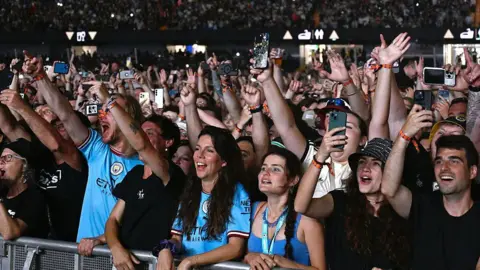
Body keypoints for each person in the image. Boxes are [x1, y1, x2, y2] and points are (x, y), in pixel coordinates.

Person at [21, 53, 144, 242]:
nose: (102, 115)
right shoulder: (97, 149)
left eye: (110, 111)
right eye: (103, 110)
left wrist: (104, 239)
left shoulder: (146, 165)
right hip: (84, 257)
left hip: (123, 258)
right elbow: (66, 114)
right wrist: (40, 77)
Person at [295, 138, 411, 270]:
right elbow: (301, 206)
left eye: (375, 163)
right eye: (362, 162)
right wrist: (320, 157)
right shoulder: (340, 201)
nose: (365, 168)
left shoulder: (402, 211)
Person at [382, 118, 480, 268]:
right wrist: (404, 136)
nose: (444, 168)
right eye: (439, 161)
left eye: (454, 161)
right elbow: (389, 190)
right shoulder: (423, 207)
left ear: (472, 172)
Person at [155, 126, 251, 270]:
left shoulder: (237, 191)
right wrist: (166, 248)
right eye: (198, 149)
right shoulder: (190, 190)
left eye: (209, 150)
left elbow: (235, 247)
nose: (200, 155)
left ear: (223, 161)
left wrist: (192, 261)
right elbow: (177, 238)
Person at [0, 90, 88, 242]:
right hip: (50, 240)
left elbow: (57, 145)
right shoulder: (40, 156)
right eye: (54, 126)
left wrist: (21, 107)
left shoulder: (76, 160)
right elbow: (10, 127)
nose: (56, 129)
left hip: (76, 243)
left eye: (61, 126)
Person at [245, 147, 326, 270]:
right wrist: (249, 257)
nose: (266, 173)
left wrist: (286, 264)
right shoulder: (254, 209)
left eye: (276, 169)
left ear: (293, 180)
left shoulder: (307, 221)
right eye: (263, 168)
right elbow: (241, 255)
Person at [0, 139, 49, 240]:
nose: (1, 161)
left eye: (8, 157)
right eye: (0, 158)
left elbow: (10, 233)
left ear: (24, 166)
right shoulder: (3, 193)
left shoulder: (35, 198)